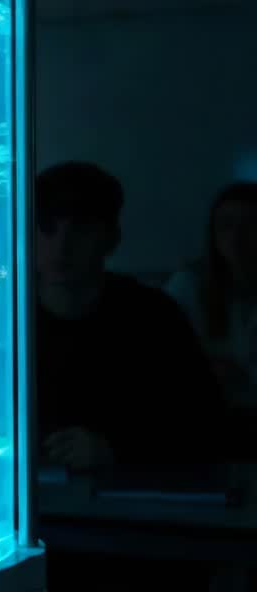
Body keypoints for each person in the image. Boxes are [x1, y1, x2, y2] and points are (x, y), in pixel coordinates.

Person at [33, 162, 223, 472]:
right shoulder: (3, 318)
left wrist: (114, 450)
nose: (61, 246)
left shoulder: (154, 317)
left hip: (131, 505)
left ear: (111, 238)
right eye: (47, 227)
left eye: (80, 228)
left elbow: (205, 424)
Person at [164, 182, 257, 408]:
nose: (236, 238)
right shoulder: (188, 286)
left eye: (251, 226)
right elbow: (159, 354)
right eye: (225, 226)